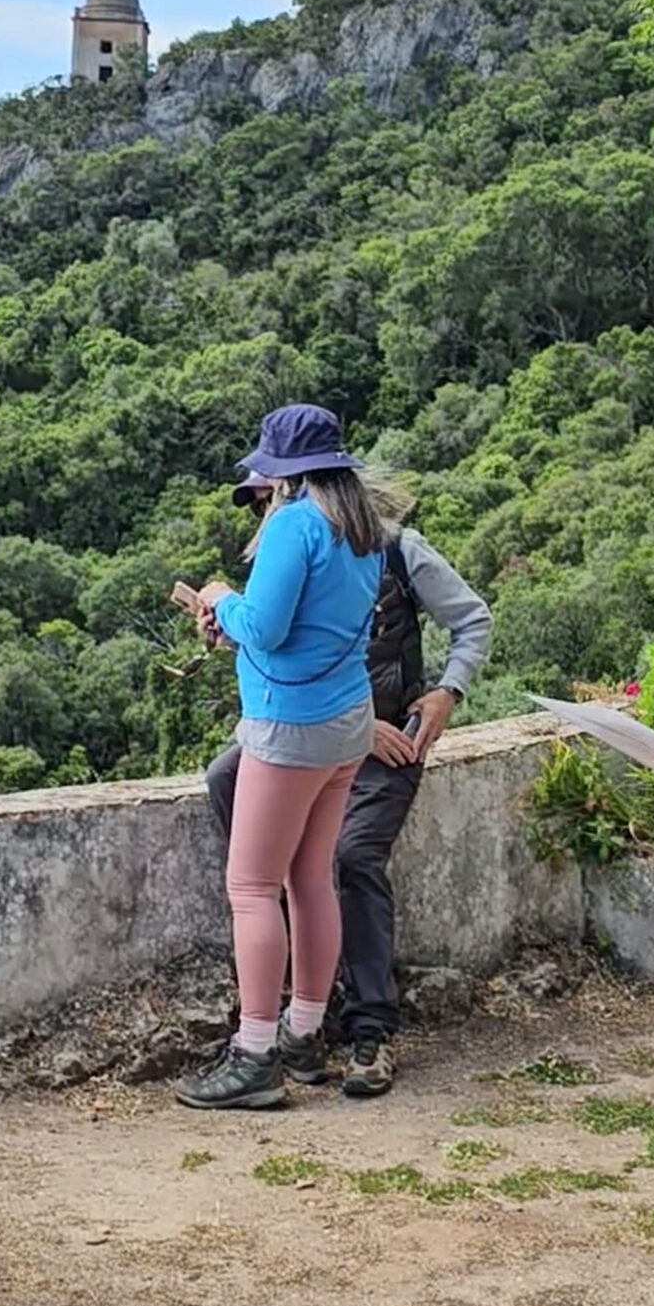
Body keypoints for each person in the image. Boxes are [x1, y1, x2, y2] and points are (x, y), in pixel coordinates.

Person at [200, 472, 490, 1097]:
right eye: (256, 502)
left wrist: (447, 692)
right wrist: (231, 632)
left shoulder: (392, 548)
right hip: (338, 735)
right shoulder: (301, 544)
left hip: (380, 743)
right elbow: (291, 644)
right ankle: (305, 1009)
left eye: (268, 493)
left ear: (295, 484)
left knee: (351, 858)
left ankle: (368, 1029)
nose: (264, 507)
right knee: (227, 783)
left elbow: (472, 619)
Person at [171, 405, 387, 1112]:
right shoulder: (364, 527)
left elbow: (264, 628)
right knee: (311, 879)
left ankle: (255, 1053)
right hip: (347, 723)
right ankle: (303, 1033)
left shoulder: (296, 525)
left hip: (291, 727)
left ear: (285, 475)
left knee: (252, 887)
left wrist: (220, 599)